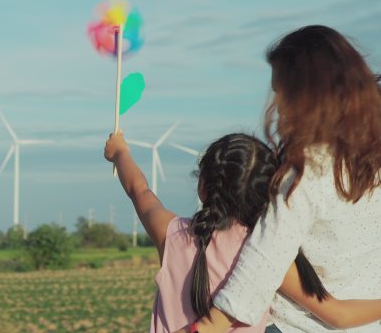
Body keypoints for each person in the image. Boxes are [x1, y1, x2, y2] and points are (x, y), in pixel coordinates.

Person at [173, 25, 381, 333]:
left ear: (307, 97)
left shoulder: (305, 175)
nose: (277, 106)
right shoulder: (372, 161)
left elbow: (254, 278)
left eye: (282, 92)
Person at [105, 132, 381, 333]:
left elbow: (139, 190)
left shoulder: (171, 233)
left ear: (202, 188)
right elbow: (337, 315)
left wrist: (120, 153)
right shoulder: (264, 254)